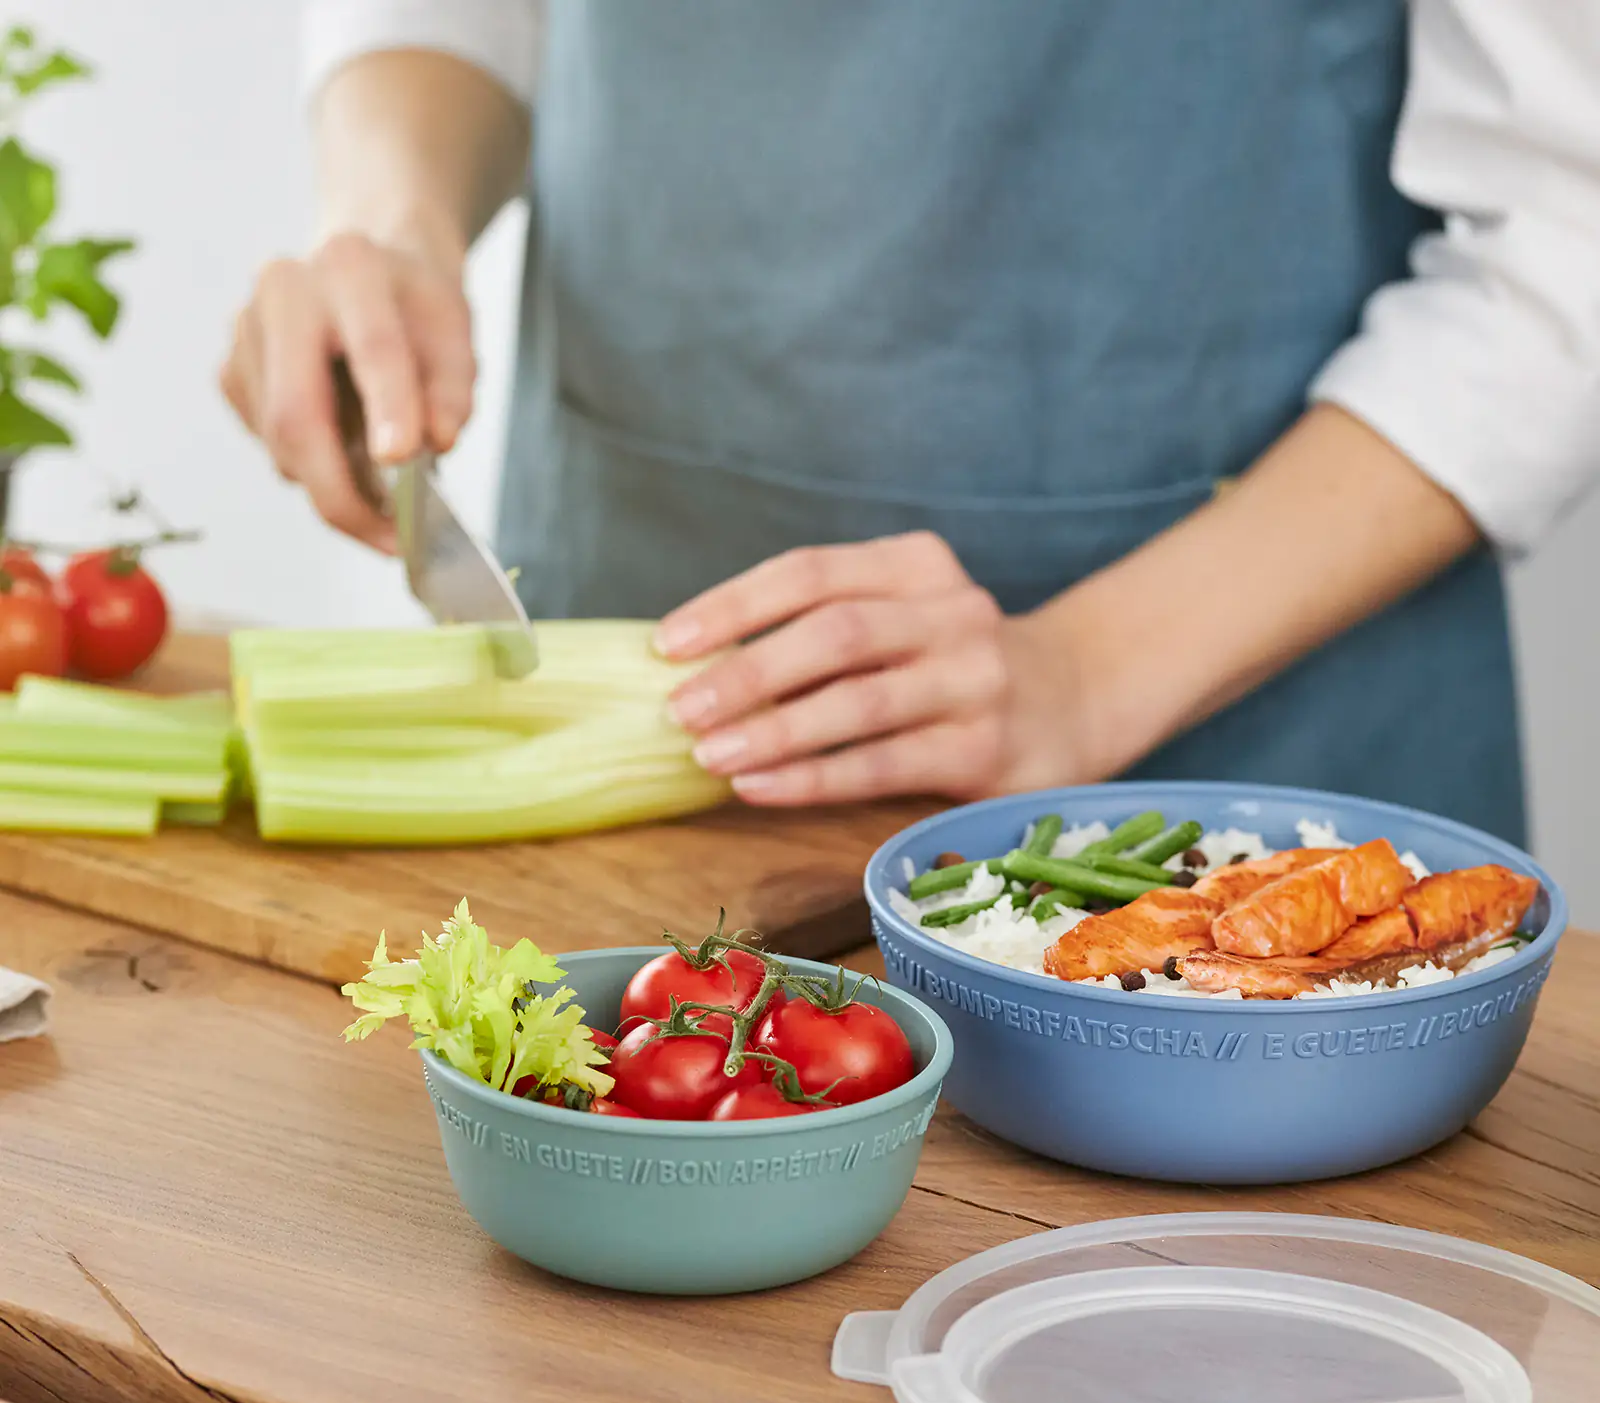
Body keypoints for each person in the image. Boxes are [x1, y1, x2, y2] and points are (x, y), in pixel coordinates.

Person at [222, 2, 1600, 842]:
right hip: (630, 605)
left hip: (1244, 737)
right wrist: (391, 213)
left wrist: (1084, 673)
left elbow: (1570, 225)